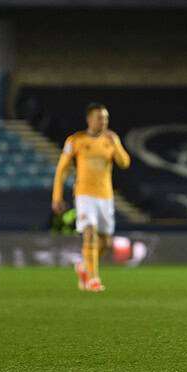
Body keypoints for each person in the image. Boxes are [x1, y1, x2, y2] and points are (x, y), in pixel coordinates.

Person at [52, 103, 131, 292]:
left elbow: (124, 163)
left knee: (105, 242)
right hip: (84, 195)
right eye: (99, 118)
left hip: (105, 196)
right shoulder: (75, 141)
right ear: (89, 119)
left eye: (105, 118)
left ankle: (84, 267)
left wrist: (117, 143)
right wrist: (57, 196)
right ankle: (93, 279)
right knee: (89, 233)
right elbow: (62, 169)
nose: (103, 121)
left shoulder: (110, 140)